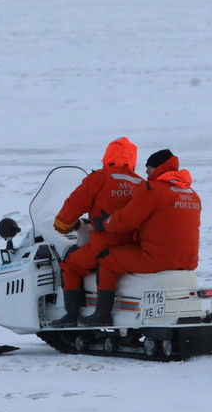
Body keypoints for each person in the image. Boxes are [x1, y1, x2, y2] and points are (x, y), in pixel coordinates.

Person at [78, 148, 201, 327]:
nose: (145, 173)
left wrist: (102, 224)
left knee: (106, 258)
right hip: (188, 261)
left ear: (157, 168)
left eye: (148, 168)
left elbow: (127, 220)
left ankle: (102, 314)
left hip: (156, 259)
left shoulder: (153, 189)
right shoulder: (191, 193)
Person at [48, 136, 142, 327]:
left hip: (103, 245)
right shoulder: (141, 183)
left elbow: (74, 203)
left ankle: (72, 315)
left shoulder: (100, 178)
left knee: (69, 265)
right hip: (132, 247)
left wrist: (62, 224)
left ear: (108, 156)